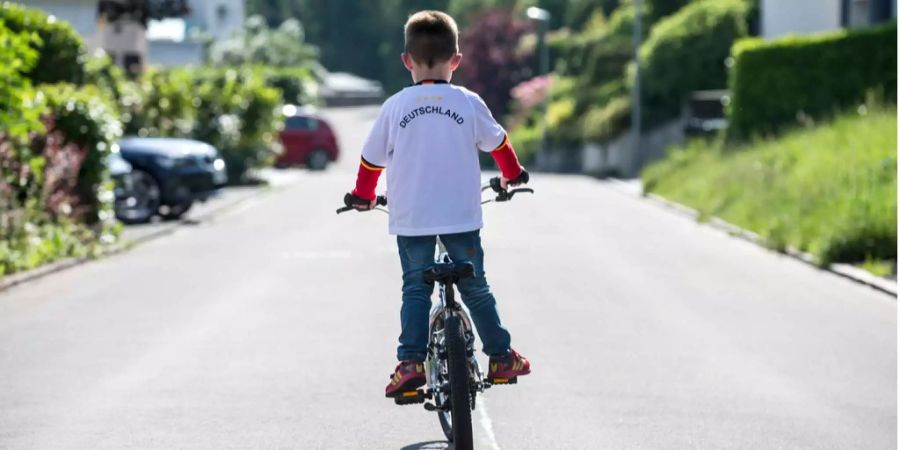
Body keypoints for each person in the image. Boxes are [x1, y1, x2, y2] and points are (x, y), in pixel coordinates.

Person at [342, 10, 531, 398]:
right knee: (475, 287)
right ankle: (500, 356)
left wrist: (362, 196)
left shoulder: (395, 106)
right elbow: (500, 144)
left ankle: (410, 364)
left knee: (415, 288)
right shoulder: (467, 101)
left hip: (412, 219)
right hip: (461, 216)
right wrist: (512, 176)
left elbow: (370, 161)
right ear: (456, 59)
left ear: (407, 60)